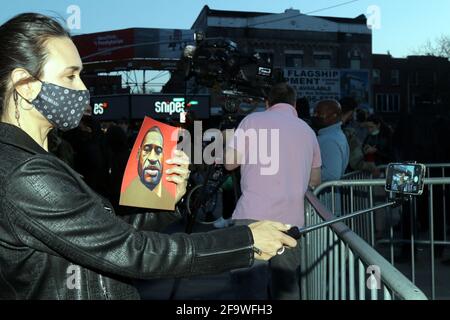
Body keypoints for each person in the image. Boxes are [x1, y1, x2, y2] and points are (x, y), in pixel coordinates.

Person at [0, 13, 297, 300]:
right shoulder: (26, 174)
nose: (83, 89)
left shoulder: (31, 159)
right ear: (25, 85)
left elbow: (105, 238)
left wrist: (166, 205)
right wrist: (246, 240)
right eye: (71, 76)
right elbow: (132, 252)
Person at [224, 83, 322, 300]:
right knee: (286, 288)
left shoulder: (252, 121)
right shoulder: (308, 131)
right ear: (294, 104)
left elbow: (229, 164)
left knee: (249, 290)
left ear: (267, 103)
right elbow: (315, 180)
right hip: (292, 221)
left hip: (252, 216)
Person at [120, 126, 174, 210]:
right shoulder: (126, 194)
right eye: (147, 149)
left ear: (164, 155)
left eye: (158, 150)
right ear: (138, 153)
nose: (152, 158)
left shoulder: (172, 196)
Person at [339, 97, 380, 177]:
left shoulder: (327, 128)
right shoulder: (349, 133)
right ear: (351, 112)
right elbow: (356, 161)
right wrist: (372, 167)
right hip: (345, 179)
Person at [311, 99, 349, 182]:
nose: (315, 115)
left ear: (334, 116)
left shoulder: (329, 140)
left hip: (325, 193)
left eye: (319, 113)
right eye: (314, 112)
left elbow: (332, 174)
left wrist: (305, 174)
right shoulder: (335, 135)